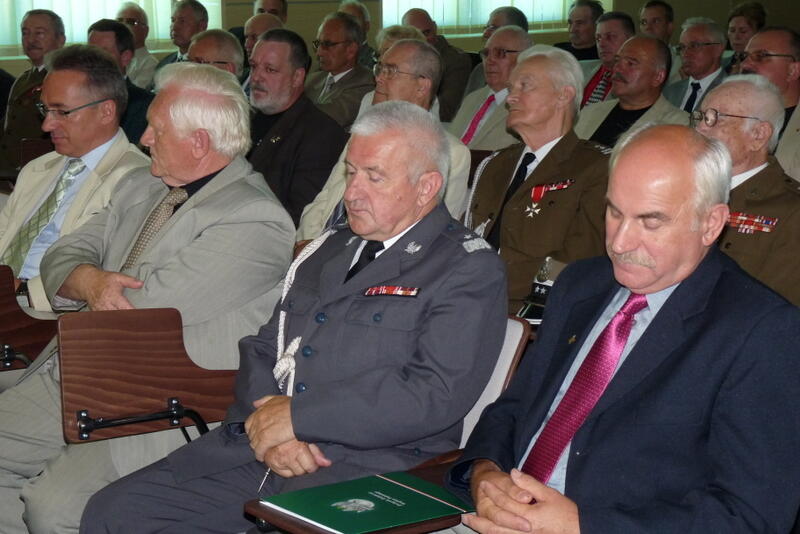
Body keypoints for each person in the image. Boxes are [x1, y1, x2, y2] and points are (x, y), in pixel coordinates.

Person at [80, 100, 508, 533]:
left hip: (364, 466)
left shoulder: (464, 267)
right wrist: (269, 426)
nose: (352, 193)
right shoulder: (330, 249)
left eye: (374, 176)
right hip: (260, 449)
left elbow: (432, 393)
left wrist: (298, 418)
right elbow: (264, 347)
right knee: (111, 512)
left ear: (426, 187)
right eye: (351, 173)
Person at [447, 123, 800, 534]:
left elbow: (752, 515)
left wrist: (585, 526)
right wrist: (484, 472)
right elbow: (515, 406)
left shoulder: (761, 332)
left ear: (710, 223)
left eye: (650, 222)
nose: (619, 242)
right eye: (615, 212)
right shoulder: (580, 284)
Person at [0, 63, 295, 534]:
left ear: (199, 142)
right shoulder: (140, 185)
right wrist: (90, 281)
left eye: (157, 128)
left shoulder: (254, 219)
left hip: (152, 401)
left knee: (52, 508)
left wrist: (91, 281)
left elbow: (137, 312)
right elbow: (63, 254)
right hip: (77, 373)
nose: (143, 138)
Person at [0, 44, 149, 313]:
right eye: (45, 109)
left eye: (62, 112)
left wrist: (20, 292)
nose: (46, 125)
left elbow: (104, 270)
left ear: (106, 111)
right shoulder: (37, 168)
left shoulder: (137, 180)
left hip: (50, 315)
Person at [464, 46, 609, 312]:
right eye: (511, 88)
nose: (511, 97)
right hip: (464, 302)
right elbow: (465, 235)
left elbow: (578, 262)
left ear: (564, 95)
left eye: (525, 86)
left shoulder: (596, 168)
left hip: (531, 313)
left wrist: (487, 282)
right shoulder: (495, 164)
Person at [297, 39, 471, 244]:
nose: (378, 78)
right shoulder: (365, 135)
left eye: (390, 71)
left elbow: (431, 235)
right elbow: (325, 199)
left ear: (422, 86)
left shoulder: (452, 153)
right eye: (379, 69)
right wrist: (308, 243)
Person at [694, 75, 800, 305]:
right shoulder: (683, 187)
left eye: (715, 118)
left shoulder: (792, 214)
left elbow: (777, 312)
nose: (701, 127)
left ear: (758, 135)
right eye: (701, 116)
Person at [247, 29, 348, 225]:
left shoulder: (321, 135)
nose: (256, 77)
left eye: (270, 70)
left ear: (297, 77)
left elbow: (301, 218)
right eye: (253, 66)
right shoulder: (242, 119)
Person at [576, 36, 687, 147]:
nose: (617, 68)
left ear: (658, 77)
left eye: (630, 63)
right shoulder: (590, 112)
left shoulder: (678, 126)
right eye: (617, 61)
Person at [0, 9, 65, 177]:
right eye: (25, 33)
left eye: (39, 33)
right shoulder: (23, 79)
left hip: (40, 172)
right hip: (10, 171)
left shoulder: (64, 79)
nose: (31, 40)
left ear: (60, 40)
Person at [449, 26, 530, 150]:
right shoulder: (472, 98)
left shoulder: (528, 104)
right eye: (486, 54)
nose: (489, 60)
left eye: (500, 53)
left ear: (525, 58)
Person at [740, 26, 800, 180]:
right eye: (744, 56)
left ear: (793, 70)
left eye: (761, 56)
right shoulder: (733, 115)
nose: (745, 65)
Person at [87, 18, 154, 144]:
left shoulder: (144, 104)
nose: (92, 60)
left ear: (125, 58)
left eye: (102, 53)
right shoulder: (77, 97)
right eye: (90, 52)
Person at [305, 12, 375, 130]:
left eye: (327, 44)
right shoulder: (312, 79)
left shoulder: (367, 83)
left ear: (351, 50)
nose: (319, 52)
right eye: (318, 44)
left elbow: (325, 118)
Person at [402, 8, 472, 122]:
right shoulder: (402, 58)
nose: (423, 39)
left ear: (435, 27)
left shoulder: (456, 60)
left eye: (426, 33)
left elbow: (447, 111)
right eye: (415, 35)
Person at [463, 6, 530, 97]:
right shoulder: (479, 71)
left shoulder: (529, 87)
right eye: (486, 54)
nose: (485, 33)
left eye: (492, 28)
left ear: (515, 31)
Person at [663, 18, 727, 112]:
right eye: (682, 47)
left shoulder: (730, 90)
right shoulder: (671, 91)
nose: (685, 54)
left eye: (694, 46)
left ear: (718, 49)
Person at [580, 12, 635, 108]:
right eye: (598, 38)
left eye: (610, 37)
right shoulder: (579, 68)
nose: (601, 44)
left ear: (630, 40)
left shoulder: (637, 80)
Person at [155, 0, 208, 70]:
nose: (174, 27)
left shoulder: (210, 65)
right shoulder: (163, 65)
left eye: (182, 21)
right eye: (173, 20)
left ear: (201, 26)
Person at [116, 1, 158, 89]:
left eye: (131, 22)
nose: (123, 26)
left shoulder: (150, 64)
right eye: (119, 21)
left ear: (145, 31)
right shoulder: (110, 58)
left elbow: (131, 94)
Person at [241, 12, 284, 96]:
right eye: (246, 37)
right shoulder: (240, 76)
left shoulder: (280, 82)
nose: (246, 44)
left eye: (254, 38)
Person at [725, 2, 767, 74]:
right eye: (732, 30)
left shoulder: (765, 66)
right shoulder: (720, 64)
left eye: (743, 31)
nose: (736, 37)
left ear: (758, 33)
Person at [339, 0, 377, 70]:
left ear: (367, 25)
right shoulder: (330, 57)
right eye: (343, 20)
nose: (347, 25)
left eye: (353, 20)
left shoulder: (375, 60)